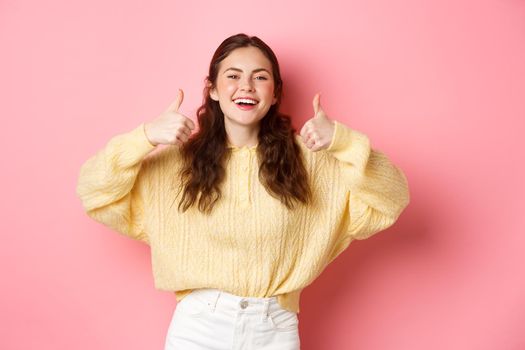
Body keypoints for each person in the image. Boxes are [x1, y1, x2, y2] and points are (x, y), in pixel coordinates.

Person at [76, 33, 410, 350]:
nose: (246, 86)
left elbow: (392, 198)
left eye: (260, 77)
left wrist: (342, 140)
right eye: (233, 76)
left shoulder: (312, 161)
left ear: (276, 92)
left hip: (275, 329)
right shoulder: (177, 163)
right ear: (214, 89)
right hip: (198, 328)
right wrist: (145, 136)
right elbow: (94, 192)